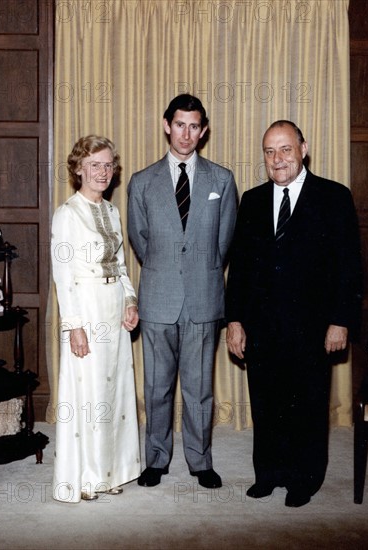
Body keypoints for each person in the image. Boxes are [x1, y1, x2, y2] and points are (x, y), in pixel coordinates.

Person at [226, 120, 362, 507]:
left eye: (285, 149)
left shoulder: (333, 197)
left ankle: (305, 479)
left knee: (307, 403)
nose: (277, 158)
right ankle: (268, 473)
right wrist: (234, 321)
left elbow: (349, 266)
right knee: (267, 401)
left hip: (313, 326)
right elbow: (241, 268)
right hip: (262, 326)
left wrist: (341, 320)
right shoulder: (251, 200)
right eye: (269, 151)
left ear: (304, 148)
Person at [127, 94, 238, 489]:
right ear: (166, 125)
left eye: (194, 126)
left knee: (199, 390)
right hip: (158, 300)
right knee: (156, 389)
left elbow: (225, 242)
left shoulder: (222, 180)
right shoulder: (142, 182)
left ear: (203, 131)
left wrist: (198, 270)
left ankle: (200, 461)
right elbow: (140, 241)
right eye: (179, 125)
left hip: (204, 299)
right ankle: (155, 460)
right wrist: (166, 270)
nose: (186, 134)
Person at [51, 135, 140, 502]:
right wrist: (74, 326)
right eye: (94, 166)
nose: (102, 173)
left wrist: (130, 301)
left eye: (107, 165)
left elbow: (119, 264)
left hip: (112, 306)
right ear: (78, 169)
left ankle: (110, 472)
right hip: (85, 308)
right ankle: (85, 478)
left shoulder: (112, 212)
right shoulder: (67, 213)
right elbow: (62, 273)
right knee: (87, 394)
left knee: (112, 391)